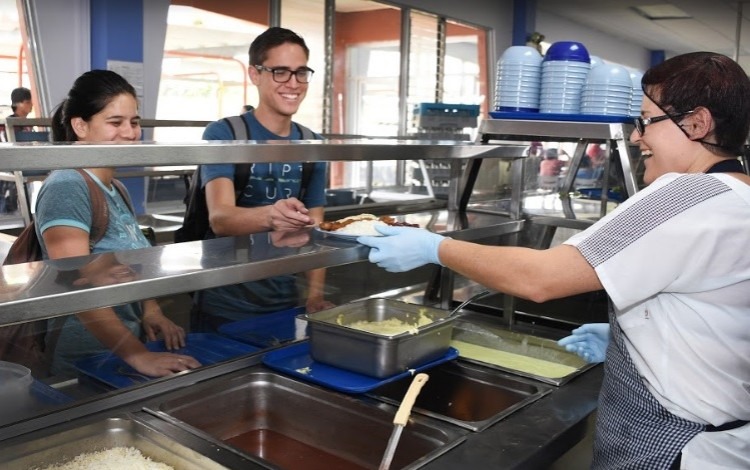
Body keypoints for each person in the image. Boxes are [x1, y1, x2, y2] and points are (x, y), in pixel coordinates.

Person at [357, 52, 750, 469]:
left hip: (674, 449)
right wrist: (634, 341)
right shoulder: (737, 198)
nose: (637, 137)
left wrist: (433, 247)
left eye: (646, 121)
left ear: (697, 123)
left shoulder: (685, 195)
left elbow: (540, 279)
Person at [36, 69, 200, 378]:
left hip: (122, 349)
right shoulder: (67, 186)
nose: (130, 133)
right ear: (80, 126)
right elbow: (78, 289)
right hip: (83, 360)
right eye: (115, 123)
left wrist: (151, 311)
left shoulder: (115, 188)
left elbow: (130, 259)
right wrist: (138, 356)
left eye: (134, 122)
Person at [194, 27, 333, 330]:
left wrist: (314, 293)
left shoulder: (312, 144)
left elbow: (317, 231)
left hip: (286, 299)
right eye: (280, 72)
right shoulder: (224, 134)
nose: (293, 84)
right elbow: (221, 219)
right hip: (225, 301)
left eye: (301, 73)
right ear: (255, 74)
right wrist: (274, 216)